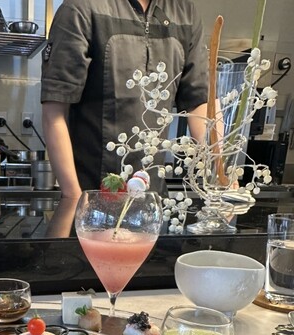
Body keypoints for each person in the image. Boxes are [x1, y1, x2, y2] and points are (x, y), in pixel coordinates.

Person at [41, 0, 209, 200]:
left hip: (153, 200)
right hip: (93, 198)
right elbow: (54, 112)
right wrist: (73, 197)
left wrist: (219, 170)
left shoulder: (185, 13)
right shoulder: (81, 8)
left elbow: (198, 103)